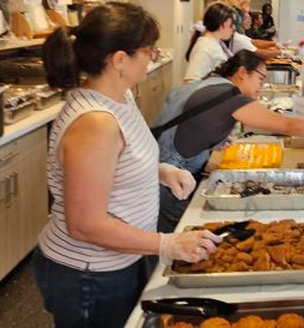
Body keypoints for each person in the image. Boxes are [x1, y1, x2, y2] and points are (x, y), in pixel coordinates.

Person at [33, 3, 222, 327]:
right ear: (119, 60)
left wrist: (161, 172)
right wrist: (167, 243)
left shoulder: (121, 96)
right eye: (148, 50)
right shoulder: (95, 123)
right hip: (88, 275)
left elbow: (119, 164)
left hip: (123, 258)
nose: (154, 56)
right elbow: (85, 224)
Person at [154, 50, 304, 233]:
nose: (261, 86)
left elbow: (186, 118)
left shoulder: (210, 82)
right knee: (175, 247)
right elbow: (287, 126)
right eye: (260, 78)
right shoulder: (230, 95)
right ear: (243, 72)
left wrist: (213, 141)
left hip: (156, 167)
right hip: (170, 180)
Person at [184, 2, 235, 83]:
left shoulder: (215, 43)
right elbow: (190, 82)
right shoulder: (206, 47)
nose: (233, 30)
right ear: (223, 25)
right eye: (231, 25)